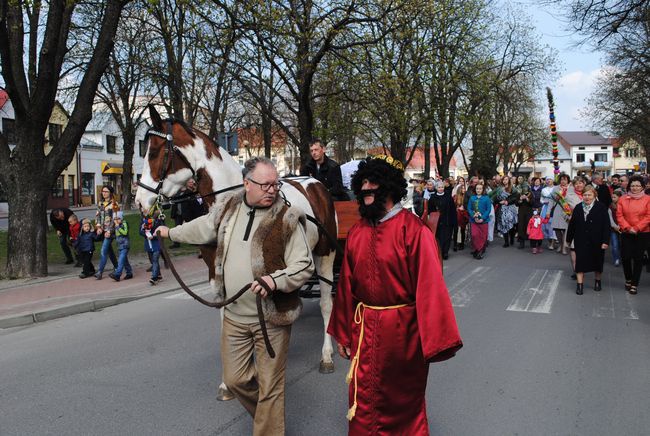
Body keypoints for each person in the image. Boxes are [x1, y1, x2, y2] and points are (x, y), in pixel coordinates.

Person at [157, 157, 314, 435]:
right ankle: (269, 418)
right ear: (247, 183)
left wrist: (274, 280)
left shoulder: (288, 217)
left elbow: (304, 266)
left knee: (271, 387)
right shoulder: (228, 206)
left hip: (272, 319)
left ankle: (269, 425)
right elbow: (204, 227)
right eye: (265, 184)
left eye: (275, 184)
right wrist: (172, 232)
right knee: (235, 379)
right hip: (234, 317)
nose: (272, 190)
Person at [327, 155, 462, 435]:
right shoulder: (357, 233)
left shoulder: (414, 232)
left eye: (372, 184)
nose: (365, 189)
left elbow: (431, 290)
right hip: (364, 329)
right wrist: (342, 332)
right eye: (361, 184)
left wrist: (433, 342)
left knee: (402, 402)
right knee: (362, 400)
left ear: (388, 189)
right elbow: (346, 287)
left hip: (403, 335)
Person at [566, 185, 610, 295]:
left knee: (597, 262)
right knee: (579, 262)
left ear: (594, 195)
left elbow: (606, 225)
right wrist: (569, 239)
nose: (587, 197)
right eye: (585, 195)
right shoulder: (578, 207)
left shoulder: (601, 207)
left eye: (589, 195)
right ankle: (579, 285)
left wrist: (605, 241)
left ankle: (597, 281)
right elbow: (572, 225)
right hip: (580, 238)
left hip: (597, 239)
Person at [616, 175, 650, 295]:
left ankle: (634, 284)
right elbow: (619, 215)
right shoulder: (623, 199)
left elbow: (648, 216)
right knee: (625, 257)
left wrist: (637, 228)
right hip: (626, 232)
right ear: (629, 186)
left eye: (638, 186)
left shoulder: (647, 199)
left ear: (642, 187)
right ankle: (628, 279)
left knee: (638, 259)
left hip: (642, 233)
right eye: (633, 185)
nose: (635, 188)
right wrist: (627, 227)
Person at [426, 180, 457, 259]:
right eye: (439, 187)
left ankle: (445, 252)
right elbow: (429, 209)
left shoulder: (448, 196)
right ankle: (439, 252)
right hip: (437, 221)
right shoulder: (433, 198)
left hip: (447, 220)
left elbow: (452, 209)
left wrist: (454, 220)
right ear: (436, 188)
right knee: (439, 237)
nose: (441, 189)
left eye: (442, 187)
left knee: (447, 236)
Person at [94, 185, 119, 279]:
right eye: (103, 191)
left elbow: (115, 219)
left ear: (110, 193)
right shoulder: (100, 203)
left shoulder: (114, 204)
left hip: (110, 232)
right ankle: (117, 266)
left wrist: (109, 231)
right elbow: (98, 216)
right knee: (109, 250)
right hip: (102, 230)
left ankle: (100, 272)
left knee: (103, 250)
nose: (104, 193)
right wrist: (98, 227)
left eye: (106, 191)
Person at [550, 174, 572, 255]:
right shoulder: (555, 188)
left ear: (568, 181)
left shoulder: (571, 189)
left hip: (567, 210)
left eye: (565, 179)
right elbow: (551, 199)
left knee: (565, 229)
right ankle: (560, 243)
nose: (563, 181)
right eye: (562, 179)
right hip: (558, 209)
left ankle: (564, 247)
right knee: (557, 229)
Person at [468, 183, 491, 259]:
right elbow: (469, 208)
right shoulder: (472, 198)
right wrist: (473, 215)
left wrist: (482, 218)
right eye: (477, 188)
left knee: (483, 237)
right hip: (473, 220)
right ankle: (477, 249)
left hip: (484, 221)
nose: (478, 190)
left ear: (482, 189)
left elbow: (488, 210)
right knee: (474, 235)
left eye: (480, 189)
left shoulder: (486, 198)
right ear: (475, 189)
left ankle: (479, 251)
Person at [141, 212, 164, 285]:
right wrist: (146, 233)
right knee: (153, 261)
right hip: (148, 245)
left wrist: (153, 236)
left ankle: (154, 277)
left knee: (155, 260)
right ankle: (159, 275)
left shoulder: (159, 220)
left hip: (156, 244)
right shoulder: (143, 220)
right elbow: (140, 231)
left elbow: (162, 231)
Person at [494, 176, 518, 247]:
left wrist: (507, 201)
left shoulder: (513, 188)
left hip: (511, 208)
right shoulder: (499, 189)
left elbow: (515, 198)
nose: (505, 181)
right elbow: (496, 198)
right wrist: (499, 202)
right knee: (504, 224)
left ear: (509, 180)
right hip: (502, 209)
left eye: (506, 179)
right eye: (503, 179)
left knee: (511, 224)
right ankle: (506, 242)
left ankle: (512, 238)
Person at [109, 212, 133, 281]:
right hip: (119, 245)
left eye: (118, 219)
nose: (116, 221)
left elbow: (125, 233)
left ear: (121, 218)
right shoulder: (116, 225)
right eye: (115, 219)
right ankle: (129, 273)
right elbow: (116, 235)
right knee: (124, 260)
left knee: (121, 260)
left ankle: (117, 274)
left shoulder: (124, 223)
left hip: (125, 245)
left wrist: (117, 226)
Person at [540, 177, 557, 249]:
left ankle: (553, 243)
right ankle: (549, 240)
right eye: (547, 180)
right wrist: (544, 202)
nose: (549, 181)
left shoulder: (556, 188)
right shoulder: (543, 189)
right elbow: (541, 199)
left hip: (554, 208)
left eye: (550, 179)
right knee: (544, 225)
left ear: (553, 180)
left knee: (552, 225)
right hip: (545, 208)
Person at [609, 189, 623, 266]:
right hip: (613, 229)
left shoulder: (623, 206)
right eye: (612, 197)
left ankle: (621, 257)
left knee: (622, 245)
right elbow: (610, 217)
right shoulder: (611, 206)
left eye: (614, 197)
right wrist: (614, 226)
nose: (613, 199)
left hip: (622, 228)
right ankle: (616, 259)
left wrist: (620, 225)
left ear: (619, 197)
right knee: (614, 245)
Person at [453, 184, 469, 251]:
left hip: (464, 214)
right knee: (456, 230)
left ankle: (462, 243)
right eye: (462, 189)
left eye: (464, 189)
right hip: (457, 214)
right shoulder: (455, 197)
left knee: (463, 229)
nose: (463, 190)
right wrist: (457, 208)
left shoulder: (466, 196)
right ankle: (455, 244)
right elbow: (453, 205)